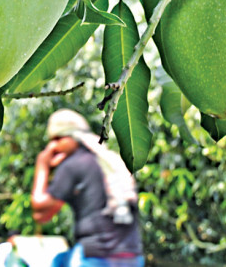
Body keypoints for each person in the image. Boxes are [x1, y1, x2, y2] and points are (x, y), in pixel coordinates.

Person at [31, 109, 144, 267]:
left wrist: (42, 166)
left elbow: (39, 207)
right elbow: (44, 214)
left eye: (57, 139)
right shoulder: (108, 161)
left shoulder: (74, 165)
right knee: (61, 260)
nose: (52, 147)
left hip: (95, 257)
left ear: (72, 137)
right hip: (133, 257)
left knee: (57, 262)